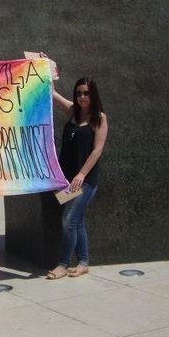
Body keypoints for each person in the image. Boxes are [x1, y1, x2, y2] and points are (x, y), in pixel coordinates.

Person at [46, 75, 108, 280]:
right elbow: (52, 93)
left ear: (93, 95)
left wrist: (81, 174)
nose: (82, 97)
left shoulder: (99, 118)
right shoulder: (73, 111)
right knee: (77, 221)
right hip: (66, 180)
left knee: (68, 221)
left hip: (85, 181)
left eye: (86, 93)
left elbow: (97, 151)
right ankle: (83, 262)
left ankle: (63, 265)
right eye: (79, 93)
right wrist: (45, 69)